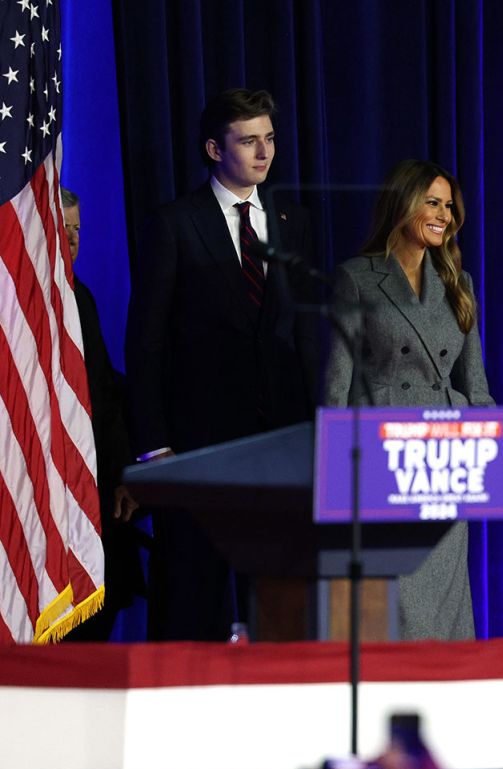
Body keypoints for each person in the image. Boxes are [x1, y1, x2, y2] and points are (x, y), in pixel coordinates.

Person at [126, 88, 318, 640]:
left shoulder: (291, 222)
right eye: (249, 140)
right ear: (214, 148)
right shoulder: (175, 223)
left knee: (282, 598)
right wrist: (155, 443)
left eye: (271, 138)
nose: (265, 152)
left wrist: (316, 430)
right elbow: (148, 342)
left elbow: (305, 335)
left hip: (280, 443)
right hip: (199, 444)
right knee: (195, 597)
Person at [324, 159, 493, 640]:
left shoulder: (460, 284)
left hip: (444, 459)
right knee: (391, 605)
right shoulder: (357, 278)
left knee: (445, 604)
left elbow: (476, 387)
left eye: (449, 206)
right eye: (432, 203)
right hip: (381, 457)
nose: (443, 215)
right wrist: (334, 482)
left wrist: (497, 458)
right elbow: (335, 386)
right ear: (402, 204)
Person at [60, 187, 144, 642]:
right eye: (62, 226)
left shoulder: (81, 296)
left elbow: (103, 395)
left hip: (94, 484)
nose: (71, 239)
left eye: (78, 229)